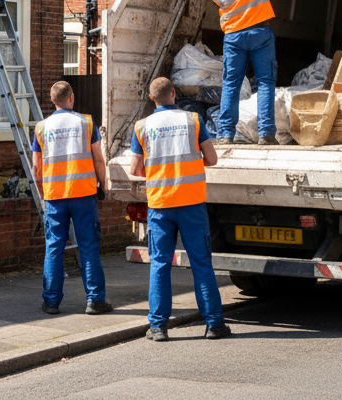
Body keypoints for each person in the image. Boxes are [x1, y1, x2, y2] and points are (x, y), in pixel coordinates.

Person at [129, 77, 230, 341]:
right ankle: (214, 324)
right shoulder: (193, 120)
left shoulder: (142, 126)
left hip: (161, 205)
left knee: (160, 265)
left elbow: (136, 169)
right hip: (191, 204)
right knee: (201, 264)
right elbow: (212, 159)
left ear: (152, 98)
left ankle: (158, 327)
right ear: (173, 93)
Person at [33, 81, 111, 316]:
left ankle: (51, 302)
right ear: (72, 98)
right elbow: (98, 159)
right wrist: (103, 185)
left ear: (52, 100)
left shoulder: (41, 127)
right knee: (88, 246)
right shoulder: (86, 122)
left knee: (54, 248)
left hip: (55, 196)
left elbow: (37, 168)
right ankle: (95, 300)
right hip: (84, 194)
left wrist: (43, 193)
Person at [203, 0, 277, 147]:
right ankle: (266, 134)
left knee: (231, 84)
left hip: (234, 35)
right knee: (265, 82)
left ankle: (225, 134)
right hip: (259, 31)